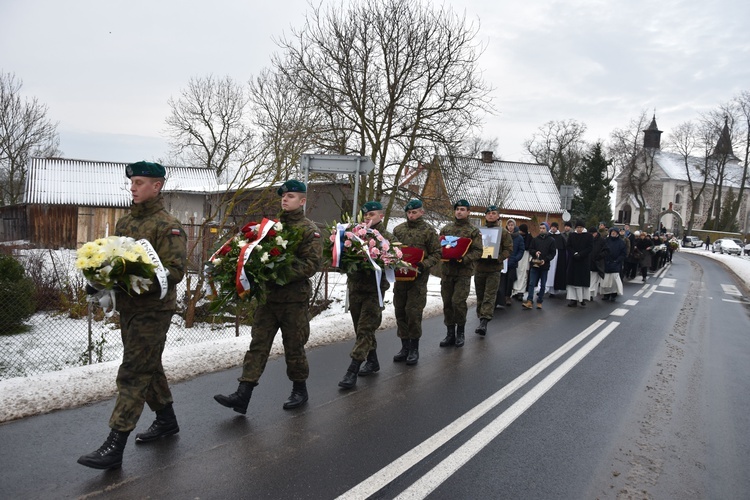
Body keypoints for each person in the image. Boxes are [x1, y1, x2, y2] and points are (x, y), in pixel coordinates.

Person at [78, 161, 187, 470]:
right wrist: (100, 280)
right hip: (129, 309)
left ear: (157, 186)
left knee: (134, 372)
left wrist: (137, 280)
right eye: (132, 182)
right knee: (149, 367)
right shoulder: (125, 223)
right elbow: (114, 260)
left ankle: (115, 444)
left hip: (154, 311)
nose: (133, 187)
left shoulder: (169, 226)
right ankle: (167, 421)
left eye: (140, 182)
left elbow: (175, 272)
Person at [214, 179, 322, 413]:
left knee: (294, 346)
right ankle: (243, 394)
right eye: (283, 196)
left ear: (302, 201)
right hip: (268, 299)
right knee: (258, 345)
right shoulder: (270, 228)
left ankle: (299, 390)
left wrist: (278, 272)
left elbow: (311, 265)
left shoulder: (309, 229)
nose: (285, 199)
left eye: (291, 196)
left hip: (293, 300)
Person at [338, 201, 395, 389]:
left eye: (372, 215)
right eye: (366, 215)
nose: (368, 218)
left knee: (365, 329)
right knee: (359, 329)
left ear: (381, 216)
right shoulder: (354, 234)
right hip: (355, 288)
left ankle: (352, 370)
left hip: (374, 290)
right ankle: (373, 361)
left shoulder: (386, 238)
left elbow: (392, 261)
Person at [392, 199, 441, 365]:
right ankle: (404, 346)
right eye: (409, 212)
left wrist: (423, 264)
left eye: (414, 212)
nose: (411, 215)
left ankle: (414, 348)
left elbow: (436, 254)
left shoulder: (429, 231)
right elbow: (391, 251)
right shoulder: (398, 230)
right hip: (400, 279)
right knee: (400, 312)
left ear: (422, 212)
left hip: (418, 280)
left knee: (413, 313)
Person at [439, 199, 483, 347]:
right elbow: (439, 246)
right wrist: (443, 256)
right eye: (457, 209)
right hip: (447, 272)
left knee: (458, 302)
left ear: (468, 212)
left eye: (463, 209)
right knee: (447, 303)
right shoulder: (446, 229)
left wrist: (463, 259)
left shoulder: (473, 231)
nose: (459, 211)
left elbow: (478, 251)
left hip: (463, 272)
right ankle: (450, 333)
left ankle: (460, 332)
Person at [474, 206, 512, 335]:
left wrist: (499, 258)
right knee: (480, 295)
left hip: (494, 269)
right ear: (485, 216)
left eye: (493, 213)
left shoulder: (503, 232)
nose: (491, 215)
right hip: (480, 267)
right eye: (488, 213)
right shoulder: (479, 231)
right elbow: (473, 246)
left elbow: (508, 249)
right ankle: (481, 317)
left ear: (498, 216)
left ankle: (484, 322)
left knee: (489, 295)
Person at [523, 222, 556, 310]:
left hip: (544, 265)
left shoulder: (551, 240)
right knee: (531, 283)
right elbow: (531, 249)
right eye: (540, 228)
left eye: (543, 228)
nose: (541, 230)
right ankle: (529, 300)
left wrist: (545, 260)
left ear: (547, 229)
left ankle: (539, 300)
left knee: (543, 284)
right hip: (535, 264)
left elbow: (552, 253)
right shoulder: (535, 239)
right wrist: (535, 252)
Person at [565, 220, 593, 307]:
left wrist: (581, 254)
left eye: (580, 227)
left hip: (583, 261)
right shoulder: (572, 235)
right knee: (572, 282)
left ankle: (582, 299)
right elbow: (568, 246)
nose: (579, 229)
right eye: (577, 227)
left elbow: (590, 247)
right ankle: (573, 299)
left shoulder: (588, 236)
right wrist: (574, 253)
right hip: (573, 261)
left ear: (583, 228)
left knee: (582, 281)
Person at [498, 218, 525, 308]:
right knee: (502, 281)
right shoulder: (503, 235)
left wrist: (516, 258)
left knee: (510, 280)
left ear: (514, 226)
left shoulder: (519, 237)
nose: (510, 227)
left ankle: (508, 296)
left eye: (512, 225)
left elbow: (521, 250)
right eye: (509, 225)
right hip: (503, 262)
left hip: (512, 262)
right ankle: (500, 298)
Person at [601, 227, 627, 300]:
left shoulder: (621, 242)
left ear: (617, 233)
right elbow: (602, 250)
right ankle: (606, 294)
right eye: (612, 232)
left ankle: (613, 294)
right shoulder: (606, 241)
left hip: (616, 263)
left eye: (615, 232)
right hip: (607, 262)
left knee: (614, 281)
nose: (613, 233)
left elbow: (623, 253)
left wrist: (618, 260)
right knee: (606, 280)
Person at [512, 223, 532, 300]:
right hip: (517, 256)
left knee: (523, 274)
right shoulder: (516, 236)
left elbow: (529, 247)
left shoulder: (529, 237)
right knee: (516, 273)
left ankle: (521, 292)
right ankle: (515, 291)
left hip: (525, 256)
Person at [547, 221, 567, 297]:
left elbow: (564, 247)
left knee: (555, 273)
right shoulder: (548, 235)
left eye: (555, 227)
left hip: (557, 257)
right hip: (549, 256)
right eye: (552, 227)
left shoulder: (560, 236)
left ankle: (553, 291)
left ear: (557, 228)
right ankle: (544, 288)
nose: (553, 228)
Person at [589, 227, 606, 300]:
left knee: (594, 280)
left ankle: (591, 294)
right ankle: (588, 294)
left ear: (596, 233)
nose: (592, 235)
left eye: (593, 233)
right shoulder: (588, 240)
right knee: (589, 279)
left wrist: (600, 256)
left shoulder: (601, 241)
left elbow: (606, 251)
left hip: (597, 263)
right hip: (588, 262)